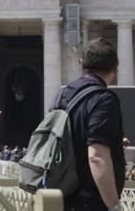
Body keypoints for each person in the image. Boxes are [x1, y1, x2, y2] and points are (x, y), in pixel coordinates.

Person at [51, 38, 125, 211]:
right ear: (115, 68)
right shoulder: (104, 99)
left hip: (59, 195)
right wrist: (114, 205)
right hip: (88, 199)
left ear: (81, 64)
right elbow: (96, 157)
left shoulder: (61, 94)